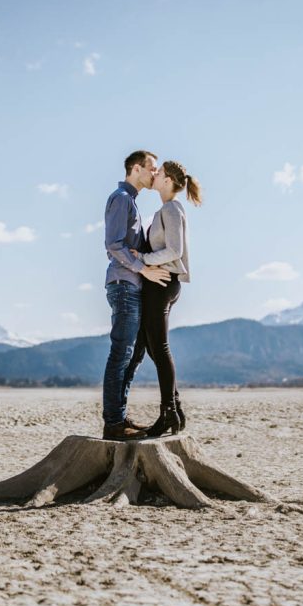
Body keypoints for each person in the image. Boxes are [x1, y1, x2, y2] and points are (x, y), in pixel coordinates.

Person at [123, 160, 201, 437]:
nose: (154, 175)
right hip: (160, 283)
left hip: (163, 282)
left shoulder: (171, 208)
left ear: (168, 181)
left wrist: (142, 258)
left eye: (159, 173)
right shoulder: (165, 209)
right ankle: (174, 409)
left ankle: (168, 411)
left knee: (160, 347)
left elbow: (174, 250)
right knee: (154, 348)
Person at [101, 150, 170, 441]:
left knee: (135, 353)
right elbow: (114, 245)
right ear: (136, 169)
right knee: (122, 353)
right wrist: (143, 268)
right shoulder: (121, 199)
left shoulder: (132, 202)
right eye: (152, 168)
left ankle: (119, 417)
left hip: (132, 286)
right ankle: (113, 424)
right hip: (124, 284)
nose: (155, 174)